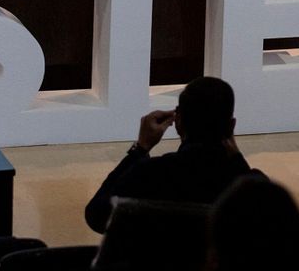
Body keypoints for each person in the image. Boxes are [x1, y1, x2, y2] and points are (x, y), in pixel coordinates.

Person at [83, 76, 258, 235]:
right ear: (231, 125)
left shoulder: (150, 174)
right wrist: (238, 160)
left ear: (178, 121)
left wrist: (140, 149)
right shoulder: (251, 187)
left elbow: (97, 215)